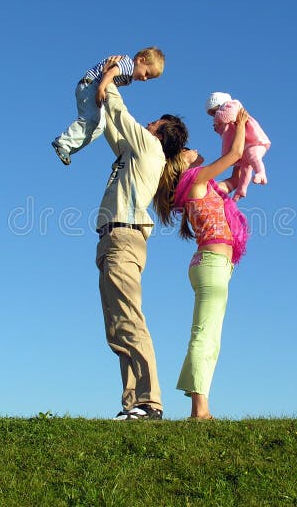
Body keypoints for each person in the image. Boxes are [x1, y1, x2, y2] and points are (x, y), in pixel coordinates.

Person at [95, 82, 188, 420]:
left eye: (154, 125)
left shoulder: (150, 148)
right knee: (117, 327)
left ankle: (150, 402)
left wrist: (111, 82)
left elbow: (121, 115)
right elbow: (113, 126)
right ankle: (133, 404)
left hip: (123, 238)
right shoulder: (133, 154)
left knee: (130, 320)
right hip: (110, 239)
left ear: (160, 136)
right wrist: (99, 103)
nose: (148, 126)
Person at [153, 106, 250, 420]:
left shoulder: (204, 187)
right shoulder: (195, 182)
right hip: (210, 265)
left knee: (209, 335)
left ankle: (200, 405)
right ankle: (199, 410)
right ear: (181, 163)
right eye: (185, 150)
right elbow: (234, 155)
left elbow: (234, 177)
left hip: (212, 265)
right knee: (205, 335)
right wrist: (239, 124)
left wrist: (251, 151)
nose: (192, 150)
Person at [51, 47, 166, 166]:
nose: (145, 79)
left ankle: (68, 148)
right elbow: (110, 73)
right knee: (90, 119)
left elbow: (112, 85)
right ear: (141, 60)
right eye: (146, 73)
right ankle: (63, 143)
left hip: (94, 88)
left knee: (100, 127)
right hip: (90, 85)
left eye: (149, 78)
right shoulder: (127, 64)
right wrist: (101, 88)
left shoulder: (128, 79)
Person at [205, 91, 271, 201]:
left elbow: (228, 116)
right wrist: (219, 128)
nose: (214, 115)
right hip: (244, 146)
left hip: (254, 141)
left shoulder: (232, 105)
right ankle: (241, 189)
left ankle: (261, 173)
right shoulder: (224, 117)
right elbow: (227, 132)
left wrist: (218, 121)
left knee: (252, 155)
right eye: (212, 114)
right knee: (245, 168)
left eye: (214, 112)